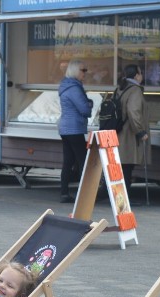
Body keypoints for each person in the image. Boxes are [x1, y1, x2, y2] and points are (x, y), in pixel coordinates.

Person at [58, 59, 93, 203]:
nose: (85, 73)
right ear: (74, 71)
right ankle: (84, 194)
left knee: (69, 161)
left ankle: (64, 193)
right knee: (83, 161)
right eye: (83, 70)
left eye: (86, 70)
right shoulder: (74, 88)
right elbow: (84, 109)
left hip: (66, 128)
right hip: (74, 128)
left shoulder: (66, 86)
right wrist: (90, 103)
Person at [117, 65, 150, 197]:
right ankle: (124, 200)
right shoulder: (135, 90)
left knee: (122, 167)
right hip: (128, 135)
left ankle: (121, 197)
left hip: (118, 131)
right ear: (136, 75)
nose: (142, 76)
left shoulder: (120, 88)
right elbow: (133, 111)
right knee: (127, 167)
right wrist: (141, 132)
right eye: (141, 73)